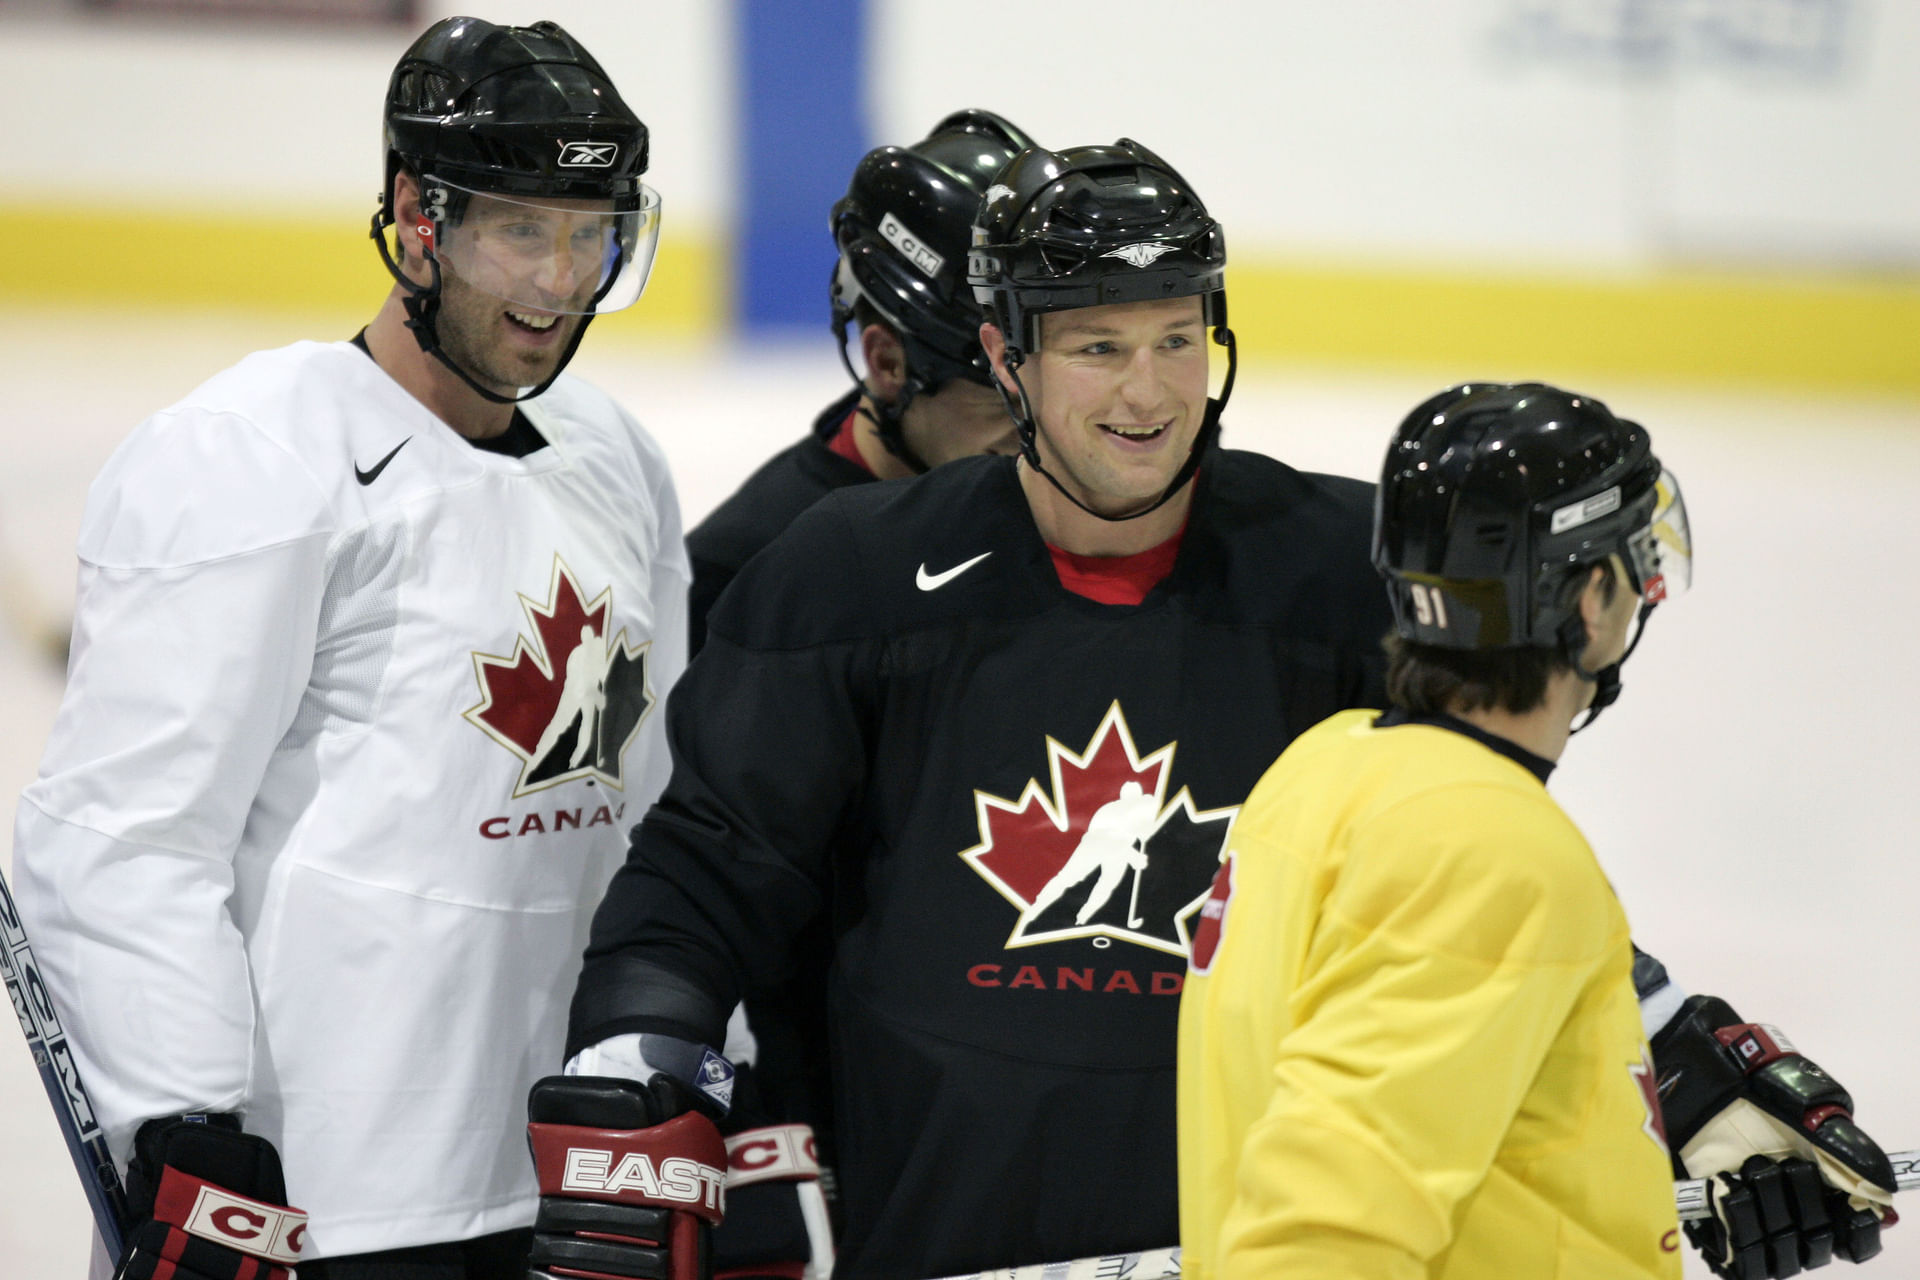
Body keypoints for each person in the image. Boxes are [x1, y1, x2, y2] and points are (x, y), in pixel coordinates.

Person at [523, 143, 1897, 1280]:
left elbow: (1453, 881)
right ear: (1005, 358)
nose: (1148, 392)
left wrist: (1679, 1060)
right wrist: (637, 1070)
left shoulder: (1334, 574)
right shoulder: (851, 576)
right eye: (1101, 347)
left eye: (1178, 339)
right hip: (946, 1234)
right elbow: (712, 869)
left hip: (1251, 1241)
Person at [11, 17, 685, 1279]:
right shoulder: (254, 458)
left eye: (589, 233)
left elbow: (656, 804)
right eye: (519, 231)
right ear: (416, 217)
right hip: (327, 1198)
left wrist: (675, 1061)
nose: (557, 281)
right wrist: (184, 1121)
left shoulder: (616, 459)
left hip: (562, 1179)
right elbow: (126, 832)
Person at [1175, 383, 1898, 1280]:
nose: (1644, 593)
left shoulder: (1318, 772)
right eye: (1637, 563)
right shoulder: (1491, 849)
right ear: (1591, 598)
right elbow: (1319, 1240)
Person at [684, 108, 1036, 653]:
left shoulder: (1087, 500)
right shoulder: (742, 575)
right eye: (1001, 395)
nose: (1044, 423)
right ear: (890, 366)